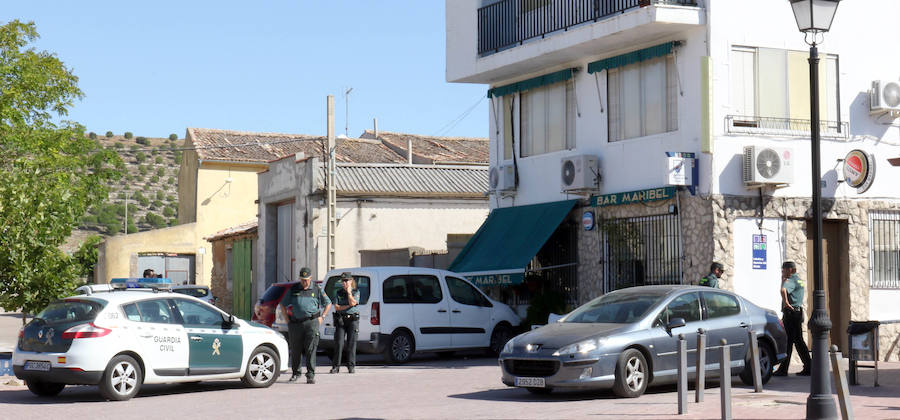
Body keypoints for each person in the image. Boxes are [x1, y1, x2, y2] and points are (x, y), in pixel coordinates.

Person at [280, 267, 331, 384]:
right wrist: (287, 321)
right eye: (302, 280)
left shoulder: (317, 289)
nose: (304, 282)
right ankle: (295, 373)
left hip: (312, 322)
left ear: (311, 278)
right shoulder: (294, 289)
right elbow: (283, 304)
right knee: (296, 349)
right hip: (296, 323)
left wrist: (322, 317)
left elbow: (328, 303)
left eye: (306, 280)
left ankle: (310, 374)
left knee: (311, 349)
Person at [774, 261, 811, 376]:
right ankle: (809, 366)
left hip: (791, 314)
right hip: (797, 312)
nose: (782, 272)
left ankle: (783, 369)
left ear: (790, 269)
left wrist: (786, 303)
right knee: (798, 341)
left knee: (789, 341)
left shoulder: (791, 280)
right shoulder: (798, 279)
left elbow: (783, 290)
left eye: (783, 270)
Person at [330, 272, 360, 374]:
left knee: (351, 344)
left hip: (352, 320)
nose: (344, 283)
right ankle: (336, 366)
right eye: (343, 281)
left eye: (346, 280)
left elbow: (353, 302)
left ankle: (351, 366)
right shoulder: (338, 292)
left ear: (351, 281)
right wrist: (348, 306)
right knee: (339, 343)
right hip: (341, 320)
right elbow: (337, 307)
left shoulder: (356, 292)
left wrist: (349, 293)